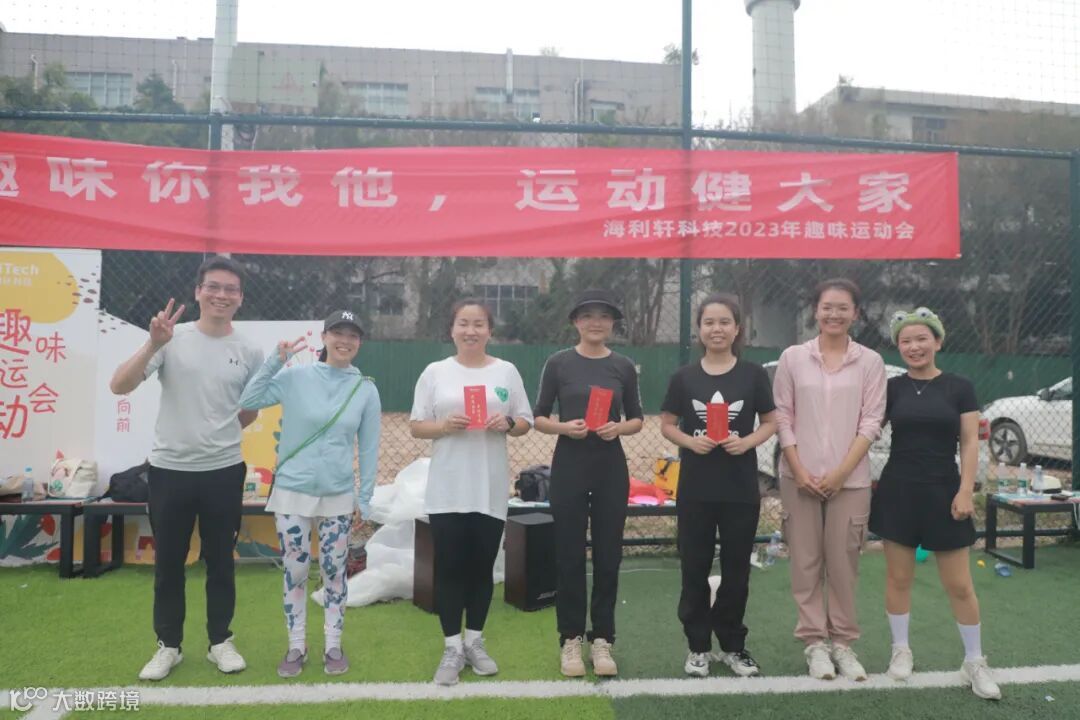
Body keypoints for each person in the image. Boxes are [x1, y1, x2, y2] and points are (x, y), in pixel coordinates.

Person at [110, 255, 264, 681]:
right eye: (213, 286)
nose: (221, 295)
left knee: (221, 562)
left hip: (224, 471)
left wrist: (215, 433)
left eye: (230, 289)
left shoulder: (250, 350)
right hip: (169, 471)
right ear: (198, 292)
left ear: (240, 298)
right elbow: (119, 385)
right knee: (169, 564)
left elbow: (249, 410)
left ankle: (220, 642)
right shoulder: (171, 338)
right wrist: (152, 344)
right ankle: (169, 646)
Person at [238, 310, 381, 678]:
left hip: (338, 495)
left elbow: (368, 448)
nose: (344, 341)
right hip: (292, 491)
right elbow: (249, 397)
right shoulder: (296, 376)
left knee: (335, 570)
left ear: (360, 342)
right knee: (296, 569)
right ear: (324, 337)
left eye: (352, 335)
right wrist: (276, 360)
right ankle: (296, 645)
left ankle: (333, 644)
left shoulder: (365, 389)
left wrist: (364, 499)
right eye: (338, 333)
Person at [870, 308, 1001, 699]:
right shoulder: (891, 388)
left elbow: (970, 442)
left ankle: (974, 662)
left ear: (938, 342)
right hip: (898, 490)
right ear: (898, 347)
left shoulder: (959, 386)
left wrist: (965, 490)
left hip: (945, 491)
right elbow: (867, 428)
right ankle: (901, 650)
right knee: (898, 579)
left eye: (921, 339)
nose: (914, 347)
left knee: (959, 584)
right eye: (905, 341)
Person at [409, 299, 533, 686]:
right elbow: (416, 425)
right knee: (449, 568)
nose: (471, 331)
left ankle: (475, 642)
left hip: (488, 488)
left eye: (479, 324)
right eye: (463, 323)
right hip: (447, 488)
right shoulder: (435, 372)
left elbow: (525, 421)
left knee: (482, 568)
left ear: (489, 331)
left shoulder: (506, 371)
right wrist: (444, 426)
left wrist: (507, 422)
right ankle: (452, 647)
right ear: (452, 330)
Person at [772, 278, 886, 682]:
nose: (834, 314)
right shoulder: (793, 358)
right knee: (805, 563)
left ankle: (843, 643)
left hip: (850, 482)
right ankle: (814, 644)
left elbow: (871, 421)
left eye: (843, 308)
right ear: (815, 311)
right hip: (798, 478)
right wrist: (799, 470)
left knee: (843, 564)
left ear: (855, 313)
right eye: (827, 307)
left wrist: (839, 473)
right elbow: (782, 415)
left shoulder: (870, 362)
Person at [660, 294, 777, 678]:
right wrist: (689, 442)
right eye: (709, 322)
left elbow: (771, 422)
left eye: (724, 322)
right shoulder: (684, 377)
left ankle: (733, 646)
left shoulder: (753, 375)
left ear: (737, 328)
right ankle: (698, 647)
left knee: (736, 571)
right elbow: (667, 423)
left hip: (740, 488)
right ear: (699, 329)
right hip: (696, 488)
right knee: (693, 568)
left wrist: (747, 442)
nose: (717, 329)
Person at [533, 289, 644, 678]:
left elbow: (637, 418)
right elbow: (539, 416)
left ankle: (603, 639)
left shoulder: (623, 366)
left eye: (604, 316)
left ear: (612, 324)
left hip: (610, 466)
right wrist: (565, 427)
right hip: (570, 465)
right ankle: (570, 638)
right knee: (568, 555)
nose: (596, 322)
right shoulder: (559, 363)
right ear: (575, 322)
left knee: (609, 555)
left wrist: (618, 428)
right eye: (587, 316)